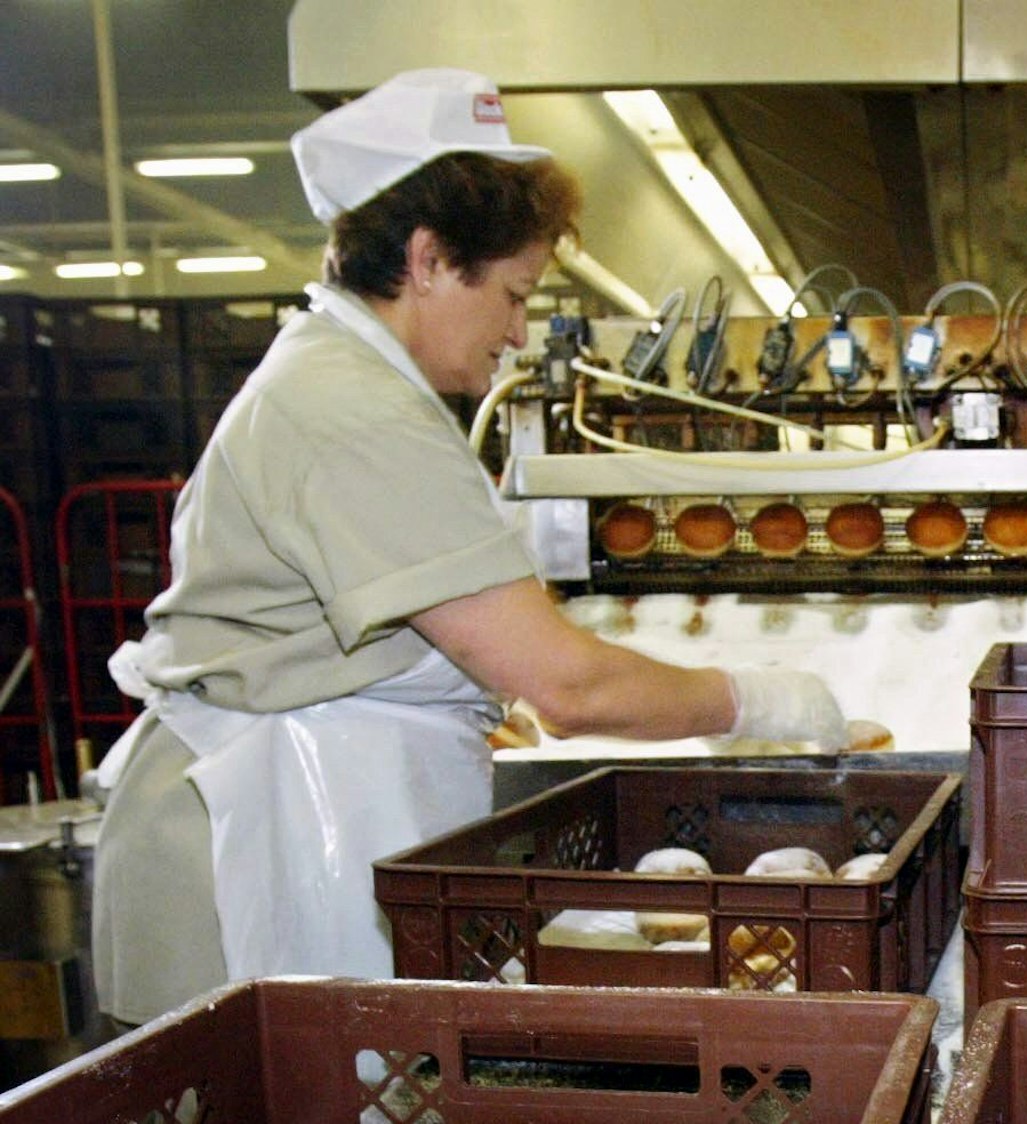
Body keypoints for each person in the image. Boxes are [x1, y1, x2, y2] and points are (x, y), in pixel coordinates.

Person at [89, 69, 847, 1026]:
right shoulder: (348, 408)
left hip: (312, 813)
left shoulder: (355, 382)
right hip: (253, 853)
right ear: (431, 257)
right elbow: (571, 691)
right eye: (515, 293)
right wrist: (763, 699)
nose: (519, 332)